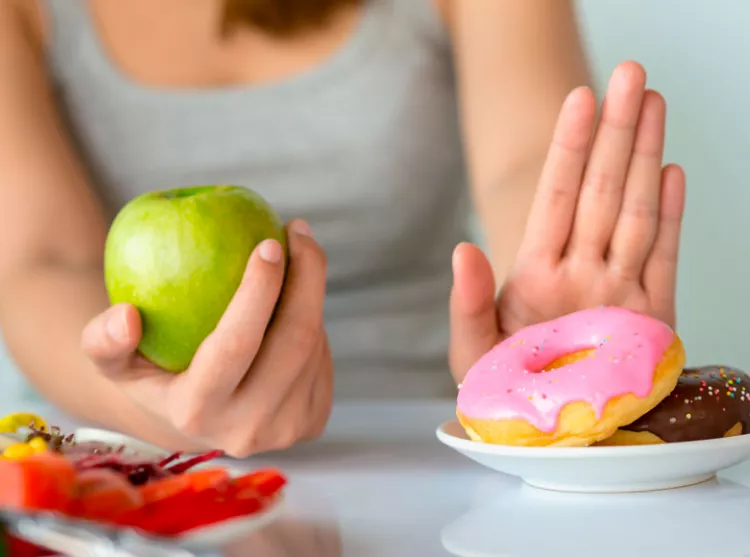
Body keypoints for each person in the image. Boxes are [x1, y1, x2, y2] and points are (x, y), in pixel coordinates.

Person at [0, 0, 684, 457]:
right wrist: (151, 409)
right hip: (124, 468)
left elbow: (525, 162)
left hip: (424, 460)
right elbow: (40, 258)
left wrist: (552, 316)